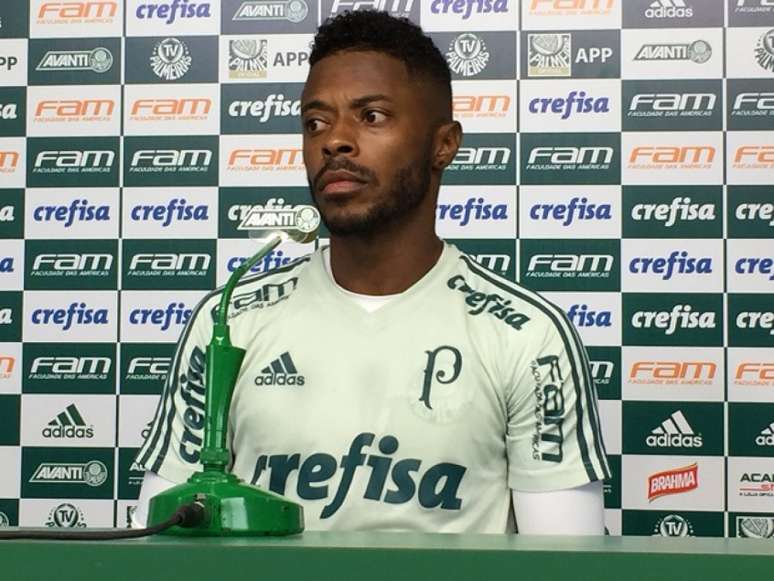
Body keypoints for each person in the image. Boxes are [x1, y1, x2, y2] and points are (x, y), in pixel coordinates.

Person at [133, 10, 610, 534]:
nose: (334, 141)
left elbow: (565, 560)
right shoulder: (229, 321)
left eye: (372, 116)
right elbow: (162, 537)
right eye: (315, 122)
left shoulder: (526, 333)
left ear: (444, 144)